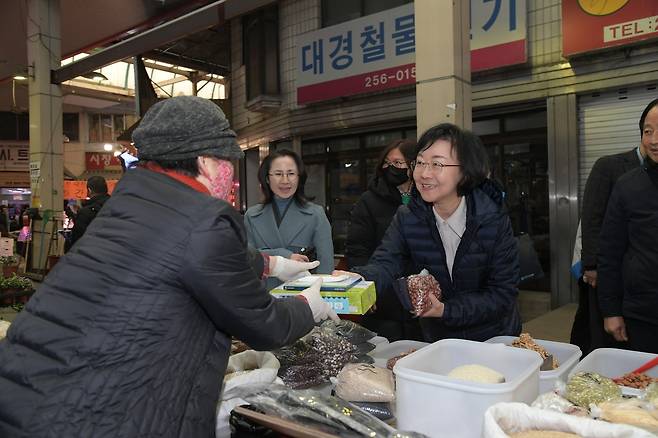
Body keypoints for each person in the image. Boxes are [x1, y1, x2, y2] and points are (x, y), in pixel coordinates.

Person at [0, 96, 337, 438]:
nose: (230, 174)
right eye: (227, 162)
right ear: (206, 163)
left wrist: (274, 264)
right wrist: (310, 305)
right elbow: (265, 325)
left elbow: (185, 254)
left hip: (30, 395)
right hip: (99, 413)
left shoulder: (132, 205)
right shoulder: (203, 219)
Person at [344, 123, 522, 342]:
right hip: (439, 340)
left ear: (465, 171)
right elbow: (387, 261)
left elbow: (502, 293)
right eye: (420, 163)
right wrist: (362, 277)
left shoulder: (492, 218)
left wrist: (447, 310)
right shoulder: (408, 216)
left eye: (437, 164)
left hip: (493, 339)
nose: (424, 174)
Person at [573, 104, 648, 353]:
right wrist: (592, 265)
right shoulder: (610, 166)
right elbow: (592, 217)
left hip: (636, 271)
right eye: (649, 131)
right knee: (601, 329)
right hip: (605, 268)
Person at [345, 138, 422, 341]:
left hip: (420, 298)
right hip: (383, 293)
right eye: (387, 163)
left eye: (398, 163)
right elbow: (357, 249)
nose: (391, 168)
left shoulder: (426, 198)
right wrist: (366, 289)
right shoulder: (370, 200)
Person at [597, 98, 658, 354]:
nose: (654, 140)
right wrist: (611, 311)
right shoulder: (628, 185)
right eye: (648, 131)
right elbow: (610, 252)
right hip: (644, 314)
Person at [244, 149, 334, 289]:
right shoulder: (251, 215)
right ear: (267, 178)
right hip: (262, 297)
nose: (285, 180)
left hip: (302, 296)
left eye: (291, 174)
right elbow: (244, 257)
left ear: (299, 177)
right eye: (278, 174)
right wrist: (283, 255)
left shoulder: (316, 214)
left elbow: (326, 265)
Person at [66, 175, 111, 251]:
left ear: (89, 190)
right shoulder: (116, 206)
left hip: (92, 255)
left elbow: (77, 239)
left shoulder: (86, 212)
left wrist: (76, 216)